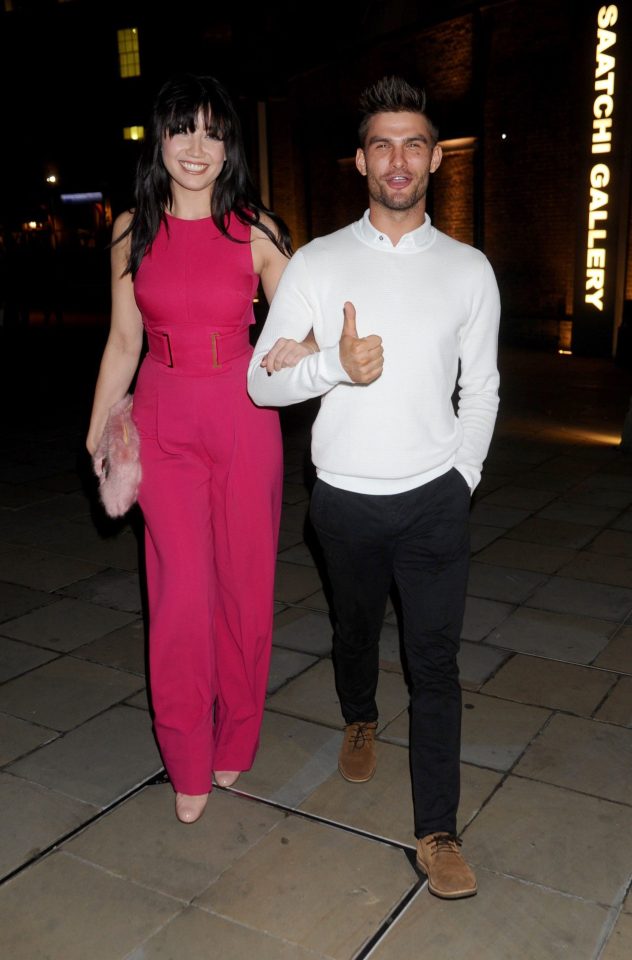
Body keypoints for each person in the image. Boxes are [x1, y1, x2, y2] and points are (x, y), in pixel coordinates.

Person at [247, 75, 500, 899]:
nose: (399, 159)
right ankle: (360, 713)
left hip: (434, 499)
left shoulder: (469, 270)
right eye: (383, 144)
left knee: (435, 664)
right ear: (361, 160)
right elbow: (261, 381)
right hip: (345, 502)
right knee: (355, 633)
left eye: (415, 143)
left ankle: (439, 832)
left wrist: (463, 475)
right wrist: (333, 367)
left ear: (435, 159)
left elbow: (483, 387)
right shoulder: (318, 261)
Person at [87, 73, 307, 825]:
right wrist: (95, 430)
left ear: (229, 147)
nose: (197, 147)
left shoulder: (258, 229)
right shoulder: (130, 229)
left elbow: (300, 321)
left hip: (243, 414)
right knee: (180, 590)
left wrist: (307, 345)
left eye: (213, 132)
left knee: (242, 586)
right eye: (184, 129)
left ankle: (236, 731)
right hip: (163, 416)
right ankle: (184, 752)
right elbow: (123, 339)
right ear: (162, 139)